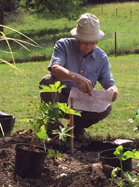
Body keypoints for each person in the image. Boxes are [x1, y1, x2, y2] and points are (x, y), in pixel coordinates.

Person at [39, 13, 118, 142]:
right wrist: (75, 77)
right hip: (61, 99)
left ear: (97, 40)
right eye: (83, 42)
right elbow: (55, 69)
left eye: (91, 42)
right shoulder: (63, 45)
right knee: (47, 81)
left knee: (106, 108)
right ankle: (53, 128)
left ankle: (77, 127)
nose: (86, 46)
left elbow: (109, 83)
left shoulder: (102, 57)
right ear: (77, 38)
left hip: (84, 102)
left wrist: (113, 91)